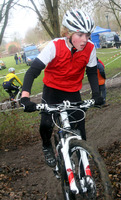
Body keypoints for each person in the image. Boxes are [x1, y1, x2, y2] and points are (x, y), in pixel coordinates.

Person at [20, 9, 104, 168]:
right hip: (52, 90)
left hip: (72, 91)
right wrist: (25, 97)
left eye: (87, 35)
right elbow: (33, 71)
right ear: (68, 33)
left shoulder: (90, 48)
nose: (85, 40)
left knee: (80, 130)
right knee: (46, 123)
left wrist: (96, 94)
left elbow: (92, 71)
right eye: (80, 35)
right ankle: (47, 146)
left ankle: (83, 169)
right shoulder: (54, 46)